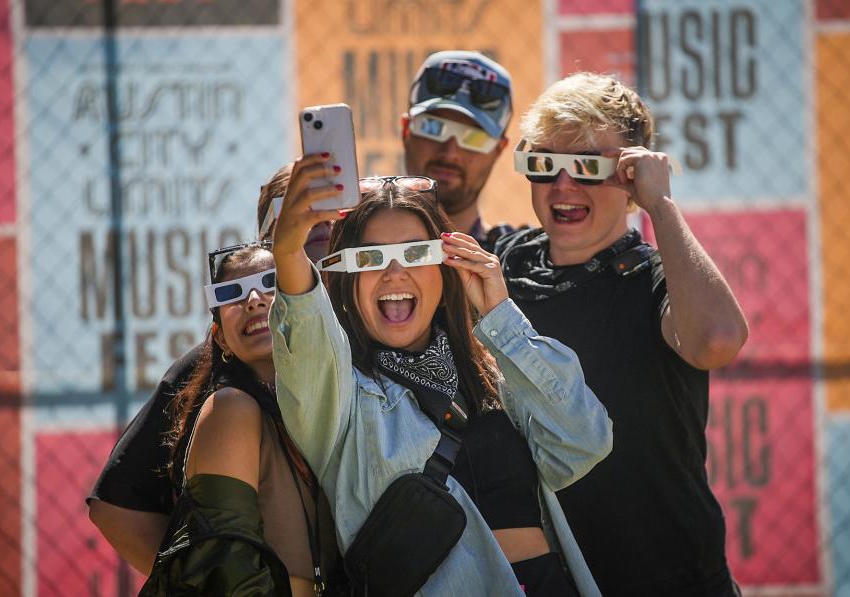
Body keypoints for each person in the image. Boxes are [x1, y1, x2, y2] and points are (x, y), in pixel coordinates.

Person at [270, 154, 613, 596]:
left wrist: (501, 318)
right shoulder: (341, 394)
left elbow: (584, 442)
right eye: (371, 257)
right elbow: (306, 331)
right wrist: (288, 252)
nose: (395, 272)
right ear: (346, 277)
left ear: (445, 266)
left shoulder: (493, 372)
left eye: (416, 253)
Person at [496, 72, 749, 596]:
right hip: (548, 581)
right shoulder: (504, 268)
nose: (563, 187)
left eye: (588, 168)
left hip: (668, 576)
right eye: (544, 165)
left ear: (631, 177)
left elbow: (717, 340)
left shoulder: (654, 280)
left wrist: (662, 206)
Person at [88, 164, 296, 575]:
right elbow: (116, 507)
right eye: (292, 217)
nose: (311, 228)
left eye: (329, 212)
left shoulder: (378, 329)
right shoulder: (221, 379)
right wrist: (196, 583)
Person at [139, 240, 340, 596]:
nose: (254, 300)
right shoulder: (233, 409)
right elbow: (228, 572)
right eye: (232, 293)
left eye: (270, 284)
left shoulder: (326, 405)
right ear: (222, 340)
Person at [401, 50, 515, 248]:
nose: (450, 153)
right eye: (433, 128)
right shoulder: (350, 245)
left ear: (499, 150)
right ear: (406, 130)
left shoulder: (516, 264)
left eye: (474, 138)